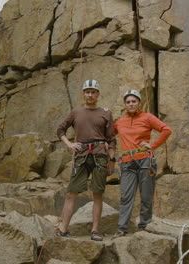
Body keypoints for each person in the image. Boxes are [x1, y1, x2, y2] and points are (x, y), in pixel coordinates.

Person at [55, 79, 116, 242]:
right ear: (83, 93)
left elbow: (111, 138)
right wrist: (69, 144)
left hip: (100, 155)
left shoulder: (106, 112)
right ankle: (63, 228)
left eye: (93, 92)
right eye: (87, 91)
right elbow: (60, 129)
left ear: (98, 94)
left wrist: (112, 159)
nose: (90, 94)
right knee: (71, 193)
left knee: (97, 193)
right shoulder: (76, 112)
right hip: (81, 155)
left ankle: (95, 230)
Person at [112, 89, 172, 239]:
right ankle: (122, 228)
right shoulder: (119, 122)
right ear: (124, 104)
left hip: (145, 160)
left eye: (134, 101)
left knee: (146, 195)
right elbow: (109, 135)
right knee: (126, 196)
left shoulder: (147, 117)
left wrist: (153, 145)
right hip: (126, 162)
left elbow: (166, 130)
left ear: (139, 103)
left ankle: (144, 225)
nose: (131, 104)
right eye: (128, 102)